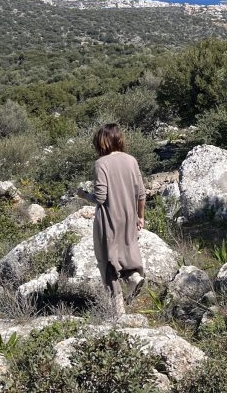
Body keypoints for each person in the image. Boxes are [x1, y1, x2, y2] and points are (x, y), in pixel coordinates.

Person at [75, 123, 146, 316]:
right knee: (127, 250)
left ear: (102, 142)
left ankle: (118, 309)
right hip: (129, 216)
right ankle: (133, 278)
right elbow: (141, 194)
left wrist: (83, 195)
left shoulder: (101, 163)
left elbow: (100, 197)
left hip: (108, 218)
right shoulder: (131, 160)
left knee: (108, 260)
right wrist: (140, 216)